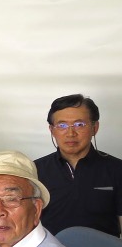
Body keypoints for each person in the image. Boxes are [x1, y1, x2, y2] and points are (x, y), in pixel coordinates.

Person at [34, 94, 122, 237]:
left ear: (95, 128)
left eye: (79, 124)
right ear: (52, 130)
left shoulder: (117, 169)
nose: (70, 133)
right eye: (62, 125)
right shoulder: (35, 170)